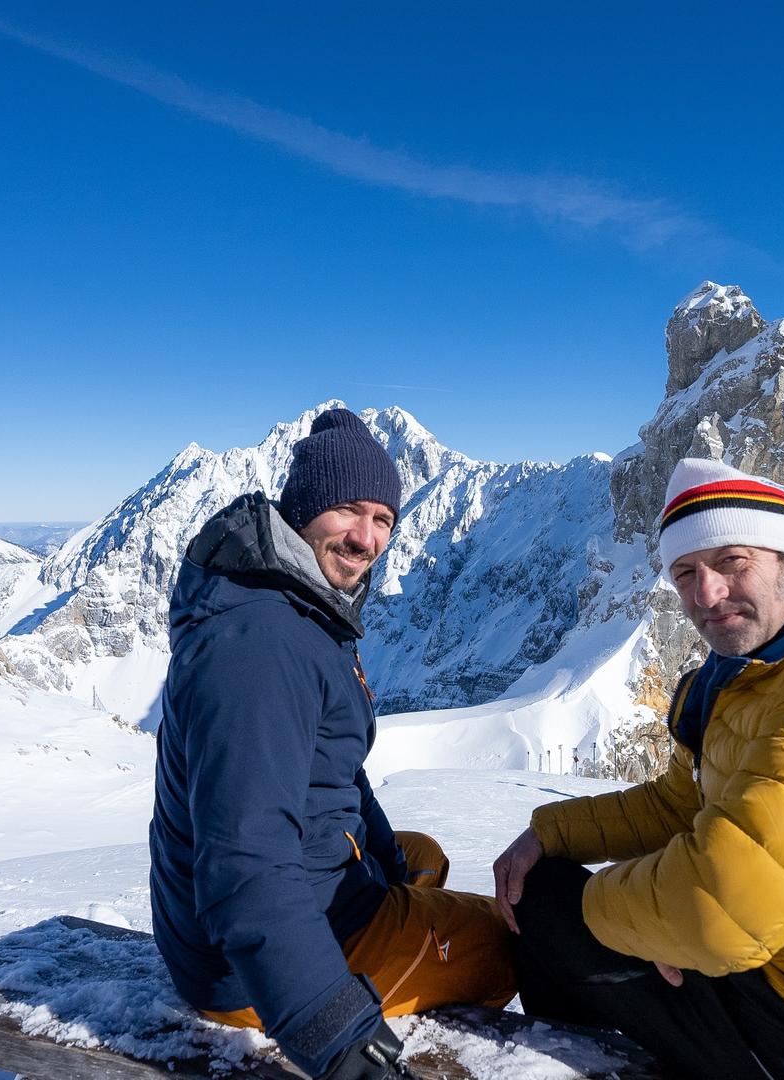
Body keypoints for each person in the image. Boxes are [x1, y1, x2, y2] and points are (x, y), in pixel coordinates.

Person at [492, 457, 784, 1079]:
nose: (706, 594)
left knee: (551, 909)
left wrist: (639, 921)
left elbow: (716, 912)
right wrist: (549, 833)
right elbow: (680, 805)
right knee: (551, 884)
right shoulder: (770, 666)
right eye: (686, 572)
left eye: (732, 562)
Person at [151, 408, 515, 1080]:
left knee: (420, 857)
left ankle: (393, 925)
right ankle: (406, 1007)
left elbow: (334, 773)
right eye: (348, 510)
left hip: (243, 919)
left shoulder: (293, 600)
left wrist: (383, 863)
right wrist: (340, 1038)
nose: (366, 537)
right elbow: (247, 869)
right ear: (303, 509)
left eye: (383, 519)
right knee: (502, 943)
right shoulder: (264, 646)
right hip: (239, 972)